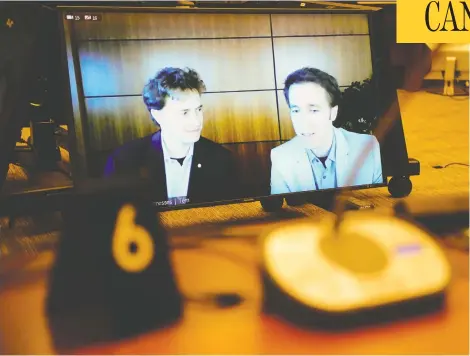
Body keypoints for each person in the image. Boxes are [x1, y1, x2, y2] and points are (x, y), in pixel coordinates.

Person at [104, 67, 239, 206]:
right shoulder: (124, 160)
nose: (196, 121)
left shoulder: (221, 160)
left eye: (198, 110)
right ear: (158, 114)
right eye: (184, 112)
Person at [270, 67, 383, 195]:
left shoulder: (367, 147)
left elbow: (378, 200)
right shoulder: (280, 157)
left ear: (333, 113)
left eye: (313, 110)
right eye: (296, 111)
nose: (303, 121)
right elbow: (281, 212)